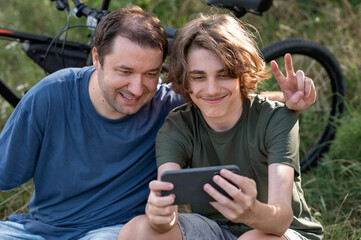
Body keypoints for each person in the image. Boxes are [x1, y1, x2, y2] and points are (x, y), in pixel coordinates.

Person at [0, 5, 315, 240]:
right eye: (124, 71)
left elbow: (226, 96)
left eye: (150, 74)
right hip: (36, 230)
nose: (137, 89)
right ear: (96, 58)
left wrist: (289, 99)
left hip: (108, 232)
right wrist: (161, 214)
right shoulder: (51, 96)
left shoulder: (165, 104)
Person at [118, 13, 323, 240]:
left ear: (241, 73)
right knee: (138, 230)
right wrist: (160, 215)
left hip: (281, 232)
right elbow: (168, 204)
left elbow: (281, 218)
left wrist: (252, 211)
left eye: (223, 75)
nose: (212, 89)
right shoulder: (178, 125)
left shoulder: (275, 118)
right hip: (215, 229)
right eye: (199, 77)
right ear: (185, 79)